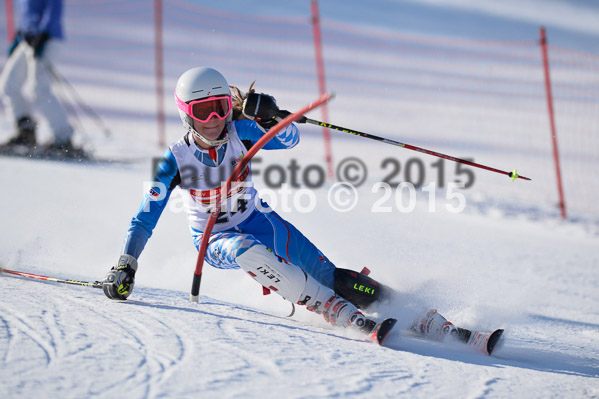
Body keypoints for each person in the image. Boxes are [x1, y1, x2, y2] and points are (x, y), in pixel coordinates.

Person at [102, 67, 499, 352]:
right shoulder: (175, 159)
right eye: (202, 112)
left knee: (329, 273)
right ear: (185, 113)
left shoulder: (240, 130)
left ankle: (430, 321)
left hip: (260, 219)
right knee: (245, 251)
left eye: (220, 108)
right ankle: (333, 310)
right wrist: (126, 263)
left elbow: (288, 139)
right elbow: (144, 217)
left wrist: (270, 114)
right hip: (215, 240)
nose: (213, 121)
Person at [0, 0, 79, 157]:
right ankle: (25, 131)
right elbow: (28, 14)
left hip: (47, 38)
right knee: (9, 84)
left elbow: (55, 6)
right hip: (28, 40)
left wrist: (44, 33)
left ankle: (63, 138)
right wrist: (19, 37)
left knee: (38, 89)